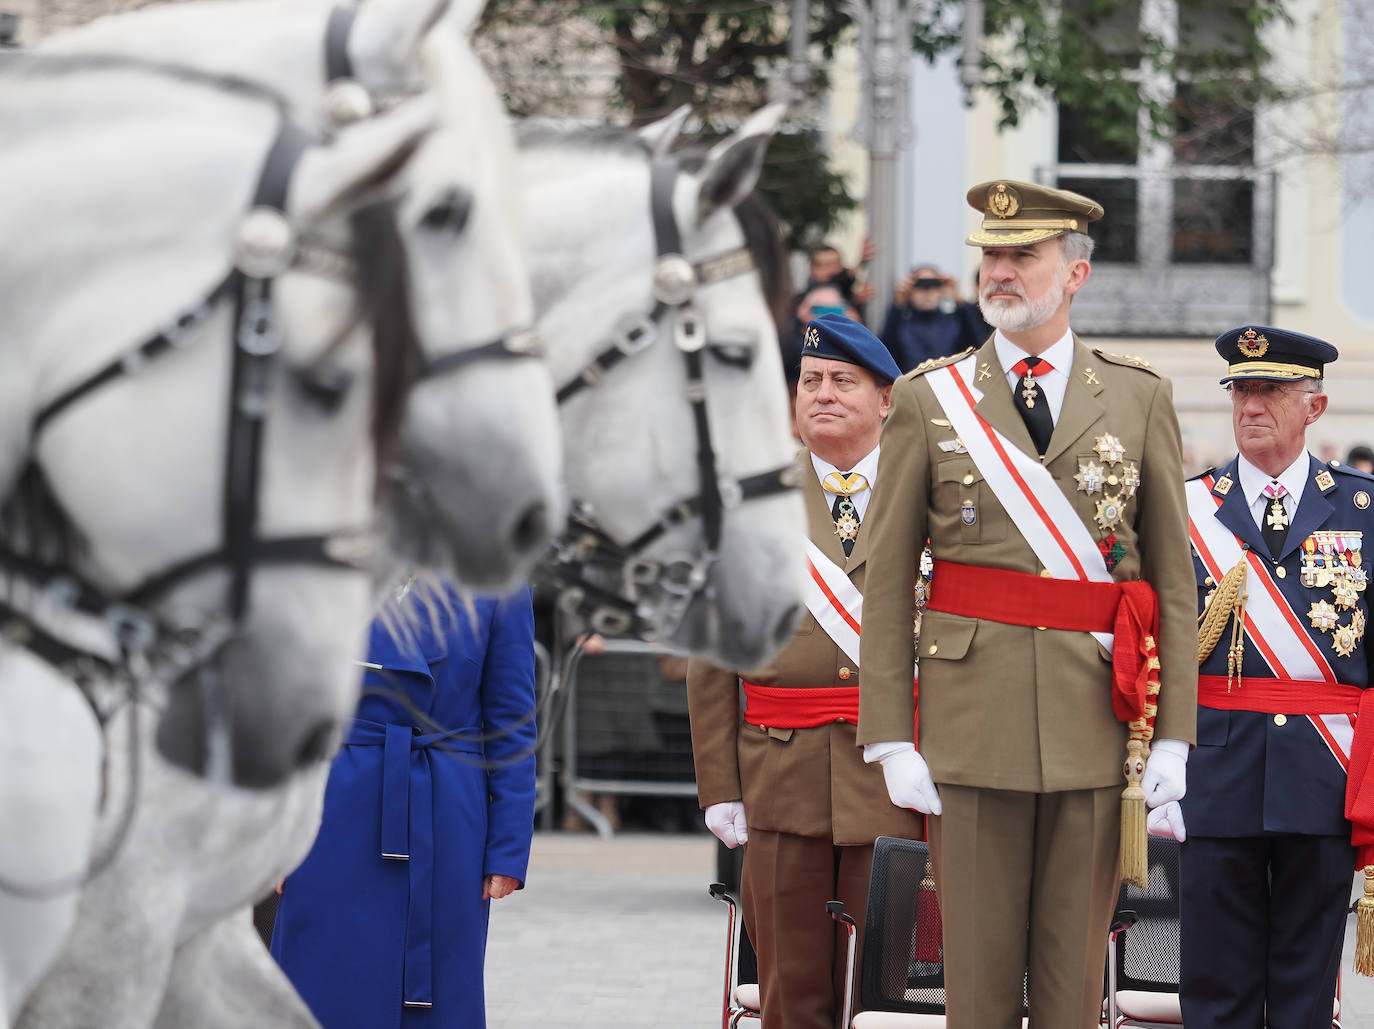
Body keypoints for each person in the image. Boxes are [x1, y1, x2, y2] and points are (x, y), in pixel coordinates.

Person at [856, 179, 1198, 1029]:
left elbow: (1173, 583)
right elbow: (889, 579)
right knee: (972, 978)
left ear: (1074, 272)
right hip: (971, 726)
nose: (1000, 272)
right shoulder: (927, 399)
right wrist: (891, 732)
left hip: (1095, 721)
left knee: (1074, 980)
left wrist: (1179, 735)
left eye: (1023, 255)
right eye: (992, 256)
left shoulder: (1138, 394)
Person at [687, 314, 923, 1029]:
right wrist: (719, 784)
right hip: (779, 781)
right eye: (810, 379)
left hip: (896, 782)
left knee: (887, 996)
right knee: (791, 995)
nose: (822, 393)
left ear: (886, 399)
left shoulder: (934, 497)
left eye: (843, 381)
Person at [1174, 327, 1374, 1028]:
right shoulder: (1187, 508)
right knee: (1214, 993)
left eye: (1271, 390)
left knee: (1303, 998)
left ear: (1314, 407)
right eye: (1242, 389)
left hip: (1323, 779)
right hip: (1214, 774)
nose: (1251, 404)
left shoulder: (1362, 509)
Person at [271, 579, 537, 1029]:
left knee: (438, 991)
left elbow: (513, 724)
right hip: (329, 806)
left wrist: (508, 847)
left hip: (443, 815)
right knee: (320, 977)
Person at [879, 263, 990, 372]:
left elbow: (979, 346)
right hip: (910, 386)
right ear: (910, 291)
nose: (927, 292)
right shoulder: (900, 324)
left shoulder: (954, 322)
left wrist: (959, 300)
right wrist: (897, 306)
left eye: (934, 284)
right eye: (920, 285)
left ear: (941, 290)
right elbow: (883, 353)